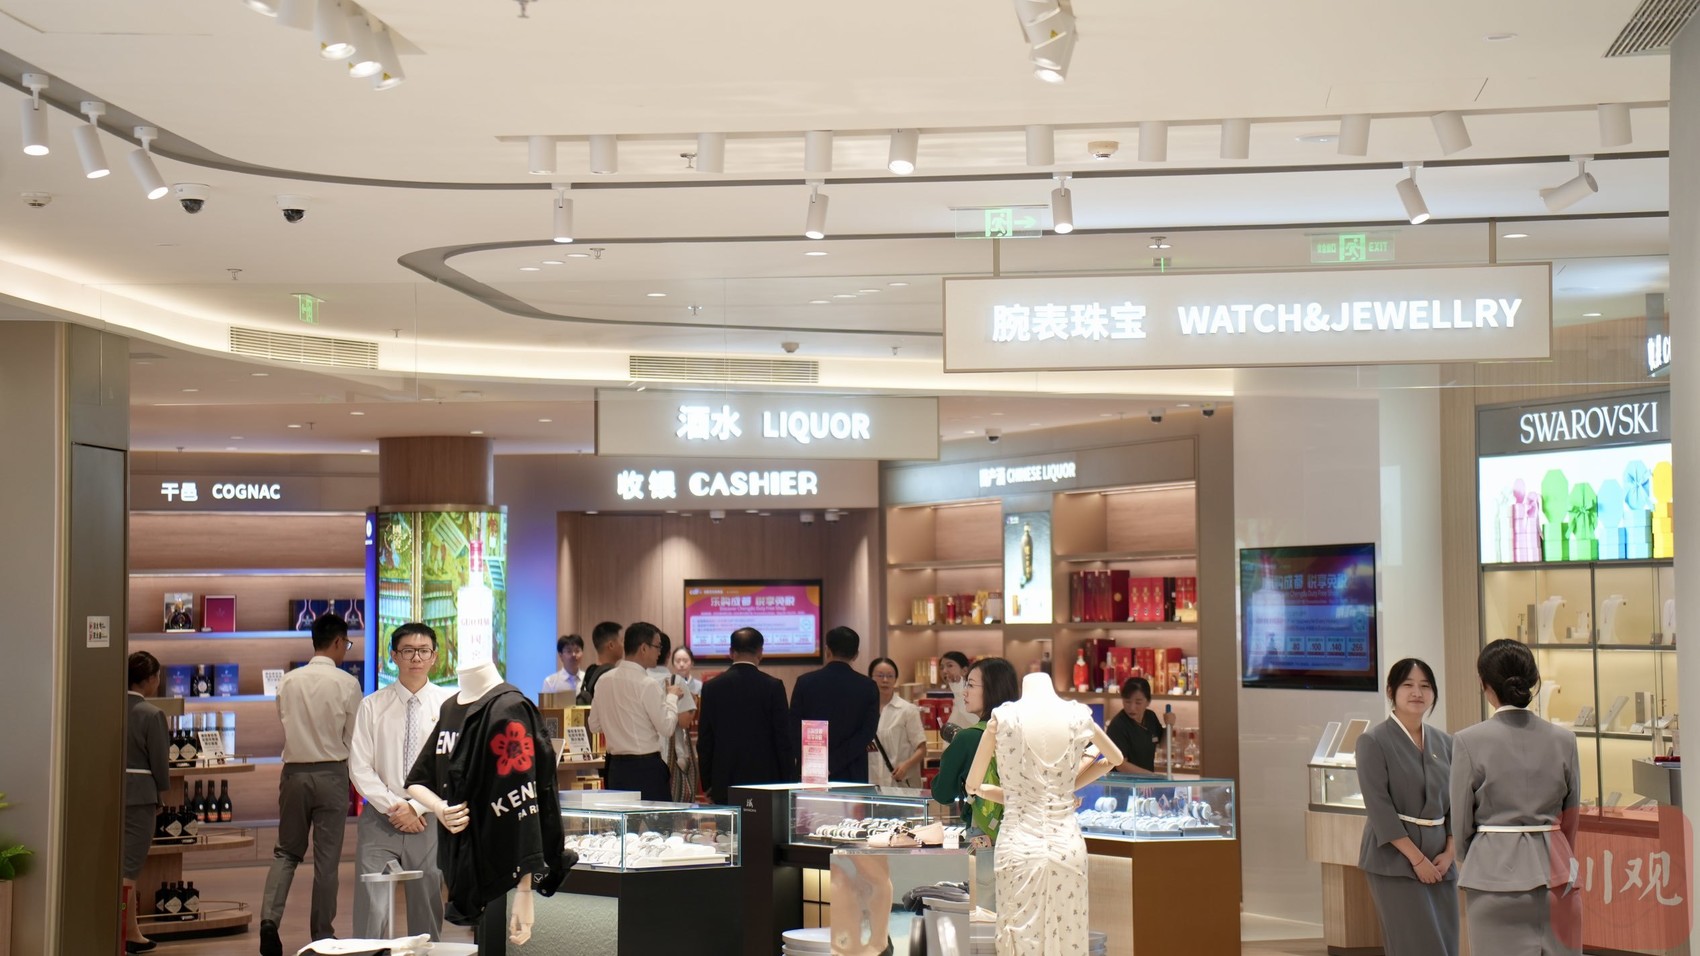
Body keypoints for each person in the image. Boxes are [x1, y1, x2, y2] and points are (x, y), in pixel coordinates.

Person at [1451, 639, 1581, 956]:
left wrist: (1478, 856)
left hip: (1491, 877)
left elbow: (1461, 823)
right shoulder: (1565, 740)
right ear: (1532, 680)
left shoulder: (1467, 741)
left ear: (1484, 684)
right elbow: (1571, 818)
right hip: (1556, 876)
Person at [260, 614, 363, 956]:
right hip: (332, 775)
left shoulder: (288, 682)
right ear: (338, 642)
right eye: (346, 644)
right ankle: (322, 936)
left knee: (286, 852)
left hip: (294, 775)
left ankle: (269, 920)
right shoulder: (347, 683)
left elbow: (284, 721)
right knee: (327, 861)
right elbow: (354, 736)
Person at [348, 623, 452, 940]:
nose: (416, 658)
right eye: (408, 651)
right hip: (381, 817)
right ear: (393, 656)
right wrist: (396, 807)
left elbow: (453, 768)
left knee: (427, 906)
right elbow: (359, 766)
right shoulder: (372, 705)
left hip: (429, 819)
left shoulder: (450, 706)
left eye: (423, 651)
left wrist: (417, 807)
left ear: (434, 656)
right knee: (371, 907)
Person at [1355, 659, 1458, 956]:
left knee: (1446, 944)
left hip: (1441, 862)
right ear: (1391, 691)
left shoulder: (1445, 742)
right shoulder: (1373, 741)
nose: (1417, 692)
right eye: (1408, 685)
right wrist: (1417, 860)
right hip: (1395, 862)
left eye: (1425, 686)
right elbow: (1379, 809)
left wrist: (1449, 853)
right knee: (1414, 945)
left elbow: (1456, 801)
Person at [587, 622, 684, 800]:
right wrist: (672, 697)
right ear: (644, 648)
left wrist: (617, 727)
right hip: (646, 768)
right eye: (658, 646)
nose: (660, 652)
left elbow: (594, 725)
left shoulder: (604, 680)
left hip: (615, 768)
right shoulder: (647, 684)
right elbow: (667, 728)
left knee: (622, 818)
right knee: (657, 819)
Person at [698, 627, 793, 803]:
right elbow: (783, 739)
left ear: (731, 652)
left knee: (729, 822)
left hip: (724, 781)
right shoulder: (773, 686)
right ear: (760, 652)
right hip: (766, 781)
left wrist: (708, 784)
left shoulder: (711, 687)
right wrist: (788, 781)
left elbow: (705, 741)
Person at [932, 657, 1018, 841]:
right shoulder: (1023, 732)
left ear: (992, 689)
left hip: (986, 832)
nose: (964, 692)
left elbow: (943, 793)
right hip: (1024, 833)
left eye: (970, 685)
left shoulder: (968, 738)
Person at [790, 626, 880, 783]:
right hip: (853, 772)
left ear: (827, 651)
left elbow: (793, 728)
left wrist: (815, 762)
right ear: (856, 655)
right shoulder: (868, 686)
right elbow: (867, 733)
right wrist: (833, 763)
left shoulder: (805, 682)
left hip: (811, 770)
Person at [123, 651, 169, 954]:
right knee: (130, 868)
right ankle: (125, 932)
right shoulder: (152, 714)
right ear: (150, 679)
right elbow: (160, 764)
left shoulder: (109, 707)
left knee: (118, 864)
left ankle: (130, 930)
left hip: (110, 793)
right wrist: (161, 792)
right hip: (140, 796)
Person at [868, 657, 927, 787]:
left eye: (890, 676)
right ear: (870, 678)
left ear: (895, 680)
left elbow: (922, 749)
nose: (885, 680)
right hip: (872, 784)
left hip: (901, 783)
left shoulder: (907, 710)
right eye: (880, 675)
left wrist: (906, 765)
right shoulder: (864, 711)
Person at [662, 645, 702, 802]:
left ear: (692, 662)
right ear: (671, 662)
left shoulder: (699, 686)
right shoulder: (670, 682)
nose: (681, 664)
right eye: (678, 661)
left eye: (685, 660)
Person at [1105, 677, 1170, 773]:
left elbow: (1163, 747)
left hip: (1146, 780)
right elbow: (1121, 765)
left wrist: (1169, 726)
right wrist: (1152, 777)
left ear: (1148, 701)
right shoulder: (1118, 725)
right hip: (1123, 781)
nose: (1132, 707)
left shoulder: (1150, 717)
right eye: (1127, 701)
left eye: (1138, 702)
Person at [575, 621, 623, 706]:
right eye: (621, 641)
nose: (623, 645)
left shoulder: (590, 671)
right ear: (611, 645)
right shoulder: (613, 675)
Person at [939, 651, 978, 731]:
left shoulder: (973, 692)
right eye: (941, 667)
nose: (944, 671)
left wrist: (958, 689)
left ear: (965, 670)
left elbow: (974, 718)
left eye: (950, 666)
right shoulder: (956, 692)